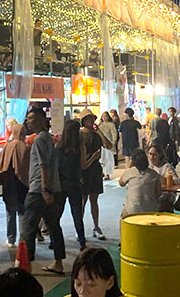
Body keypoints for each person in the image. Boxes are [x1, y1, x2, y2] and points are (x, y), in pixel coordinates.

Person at [22, 107, 65, 273]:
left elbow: (43, 165)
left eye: (31, 118)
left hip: (39, 190)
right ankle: (58, 262)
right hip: (52, 188)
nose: (28, 122)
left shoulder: (39, 139)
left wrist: (44, 189)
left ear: (41, 119)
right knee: (54, 226)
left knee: (28, 228)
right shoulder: (48, 138)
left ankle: (26, 266)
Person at [55, 120, 93, 250]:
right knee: (77, 214)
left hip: (61, 183)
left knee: (57, 213)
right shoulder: (79, 146)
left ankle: (54, 240)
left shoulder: (59, 146)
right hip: (75, 183)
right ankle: (82, 241)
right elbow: (83, 165)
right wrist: (93, 157)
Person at [0, 123, 30, 248]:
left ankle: (10, 239)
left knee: (10, 211)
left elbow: (2, 164)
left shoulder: (7, 145)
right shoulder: (24, 146)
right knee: (22, 211)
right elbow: (25, 167)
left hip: (8, 183)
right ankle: (23, 238)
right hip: (21, 183)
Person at [79, 109, 110, 241]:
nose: (91, 121)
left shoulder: (97, 134)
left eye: (92, 119)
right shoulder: (80, 135)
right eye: (87, 119)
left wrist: (99, 132)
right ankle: (79, 227)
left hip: (95, 169)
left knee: (94, 200)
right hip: (84, 169)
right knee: (83, 200)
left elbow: (109, 145)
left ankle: (96, 226)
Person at [119, 149, 161, 216]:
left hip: (132, 210)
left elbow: (121, 183)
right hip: (150, 210)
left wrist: (129, 167)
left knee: (124, 214)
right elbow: (159, 193)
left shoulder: (130, 172)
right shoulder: (154, 174)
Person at [147, 144, 180, 212]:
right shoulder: (150, 167)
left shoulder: (167, 167)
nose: (151, 157)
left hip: (167, 194)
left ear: (160, 155)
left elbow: (177, 181)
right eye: (150, 154)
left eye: (154, 155)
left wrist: (160, 177)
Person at [98, 112, 118, 180]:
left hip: (109, 144)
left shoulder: (111, 125)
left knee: (108, 159)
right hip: (101, 144)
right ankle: (102, 172)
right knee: (101, 159)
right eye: (103, 116)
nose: (104, 118)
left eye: (105, 116)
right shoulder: (100, 125)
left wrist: (113, 142)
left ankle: (107, 173)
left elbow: (114, 134)